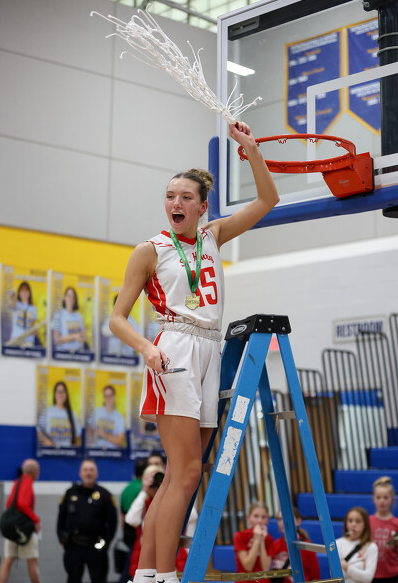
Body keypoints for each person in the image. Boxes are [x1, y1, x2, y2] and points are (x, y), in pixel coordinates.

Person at [109, 120, 279, 583]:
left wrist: (251, 150)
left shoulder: (213, 236)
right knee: (184, 475)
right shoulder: (150, 250)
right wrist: (146, 348)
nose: (175, 203)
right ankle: (167, 575)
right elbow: (117, 318)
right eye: (170, 196)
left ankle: (146, 573)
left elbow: (268, 200)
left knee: (183, 474)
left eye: (185, 197)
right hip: (174, 347)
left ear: (203, 207)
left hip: (210, 348)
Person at [57, 459, 118, 583]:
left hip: (96, 547)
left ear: (96, 473)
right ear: (80, 473)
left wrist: (106, 543)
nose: (88, 473)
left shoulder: (105, 495)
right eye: (85, 470)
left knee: (99, 579)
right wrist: (62, 538)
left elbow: (113, 522)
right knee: (73, 579)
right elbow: (61, 518)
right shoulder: (70, 493)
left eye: (91, 470)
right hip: (74, 545)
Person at [0, 459, 41, 583]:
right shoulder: (27, 482)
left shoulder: (18, 481)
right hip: (23, 528)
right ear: (33, 471)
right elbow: (23, 504)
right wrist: (35, 519)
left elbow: (9, 504)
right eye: (38, 470)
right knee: (32, 560)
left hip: (13, 528)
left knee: (7, 560)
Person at [268, 508, 320, 582]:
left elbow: (315, 577)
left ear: (298, 521)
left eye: (287, 518)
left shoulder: (307, 546)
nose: (283, 522)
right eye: (279, 519)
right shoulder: (275, 545)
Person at [233, 502, 274, 583]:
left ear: (268, 520)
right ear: (248, 518)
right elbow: (248, 566)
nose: (260, 520)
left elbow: (265, 568)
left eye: (263, 517)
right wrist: (257, 540)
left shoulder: (269, 539)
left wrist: (262, 541)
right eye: (256, 516)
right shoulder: (239, 536)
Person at [336, 506, 378, 583]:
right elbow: (336, 575)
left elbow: (368, 578)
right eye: (350, 521)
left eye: (358, 521)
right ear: (346, 524)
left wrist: (347, 568)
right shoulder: (337, 543)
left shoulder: (372, 547)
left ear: (365, 525)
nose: (353, 524)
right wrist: (359, 570)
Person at [370, 476, 398, 583]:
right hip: (370, 573)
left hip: (391, 574)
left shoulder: (396, 524)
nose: (382, 501)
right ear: (374, 499)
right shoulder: (368, 521)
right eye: (378, 497)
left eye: (385, 498)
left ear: (392, 499)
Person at [37, 380, 82, 447]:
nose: (60, 394)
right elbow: (39, 431)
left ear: (66, 394)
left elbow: (77, 437)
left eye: (63, 392)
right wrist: (48, 442)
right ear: (55, 394)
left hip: (67, 452)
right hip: (51, 451)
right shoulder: (47, 412)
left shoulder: (72, 414)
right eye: (58, 392)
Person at [88, 385, 126, 449]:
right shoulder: (96, 412)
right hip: (96, 450)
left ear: (114, 397)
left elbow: (120, 441)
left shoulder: (119, 417)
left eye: (110, 396)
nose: (108, 399)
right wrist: (95, 433)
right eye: (106, 396)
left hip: (112, 452)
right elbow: (88, 432)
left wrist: (104, 435)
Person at [53, 286, 85, 353]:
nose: (71, 299)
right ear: (65, 298)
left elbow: (83, 335)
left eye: (73, 297)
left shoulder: (79, 316)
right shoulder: (58, 315)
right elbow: (56, 339)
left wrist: (83, 337)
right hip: (63, 353)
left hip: (77, 353)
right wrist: (74, 337)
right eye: (69, 296)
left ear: (75, 300)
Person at [8, 281, 38, 345]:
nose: (24, 293)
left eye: (26, 290)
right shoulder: (17, 304)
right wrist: (13, 296)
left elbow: (33, 324)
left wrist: (34, 331)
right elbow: (13, 305)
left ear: (29, 293)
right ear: (19, 293)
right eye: (22, 291)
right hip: (16, 339)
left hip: (28, 340)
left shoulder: (33, 308)